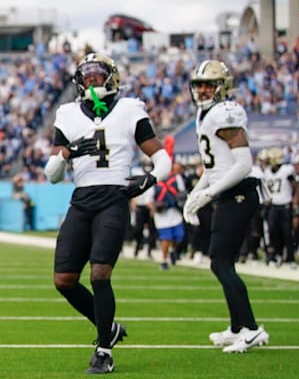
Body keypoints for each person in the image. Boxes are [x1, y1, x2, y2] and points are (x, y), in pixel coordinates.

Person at [44, 53, 171, 374]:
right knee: (64, 280)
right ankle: (109, 328)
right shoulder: (68, 113)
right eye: (87, 76)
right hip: (82, 198)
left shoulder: (129, 109)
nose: (92, 80)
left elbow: (161, 156)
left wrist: (151, 179)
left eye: (98, 75)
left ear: (110, 77)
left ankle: (103, 350)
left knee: (100, 273)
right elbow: (52, 173)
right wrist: (69, 152)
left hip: (114, 196)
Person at [182, 60, 269, 353]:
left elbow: (243, 165)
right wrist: (196, 194)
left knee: (220, 262)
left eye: (209, 85)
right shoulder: (204, 113)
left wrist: (210, 194)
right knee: (222, 262)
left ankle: (252, 328)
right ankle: (237, 328)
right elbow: (216, 165)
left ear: (223, 87)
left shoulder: (226, 113)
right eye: (199, 85)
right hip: (228, 192)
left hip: (240, 192)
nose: (203, 90)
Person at [260, 148, 299, 268]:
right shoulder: (267, 172)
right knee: (273, 232)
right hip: (273, 205)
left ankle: (291, 258)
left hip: (285, 205)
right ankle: (277, 255)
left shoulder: (286, 171)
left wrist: (295, 204)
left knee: (287, 233)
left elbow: (295, 187)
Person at [153, 162, 187, 270]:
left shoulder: (176, 178)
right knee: (166, 237)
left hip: (175, 212)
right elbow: (149, 198)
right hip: (162, 214)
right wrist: (154, 208)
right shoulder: (154, 179)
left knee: (178, 236)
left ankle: (172, 251)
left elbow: (182, 192)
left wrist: (180, 200)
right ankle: (164, 261)